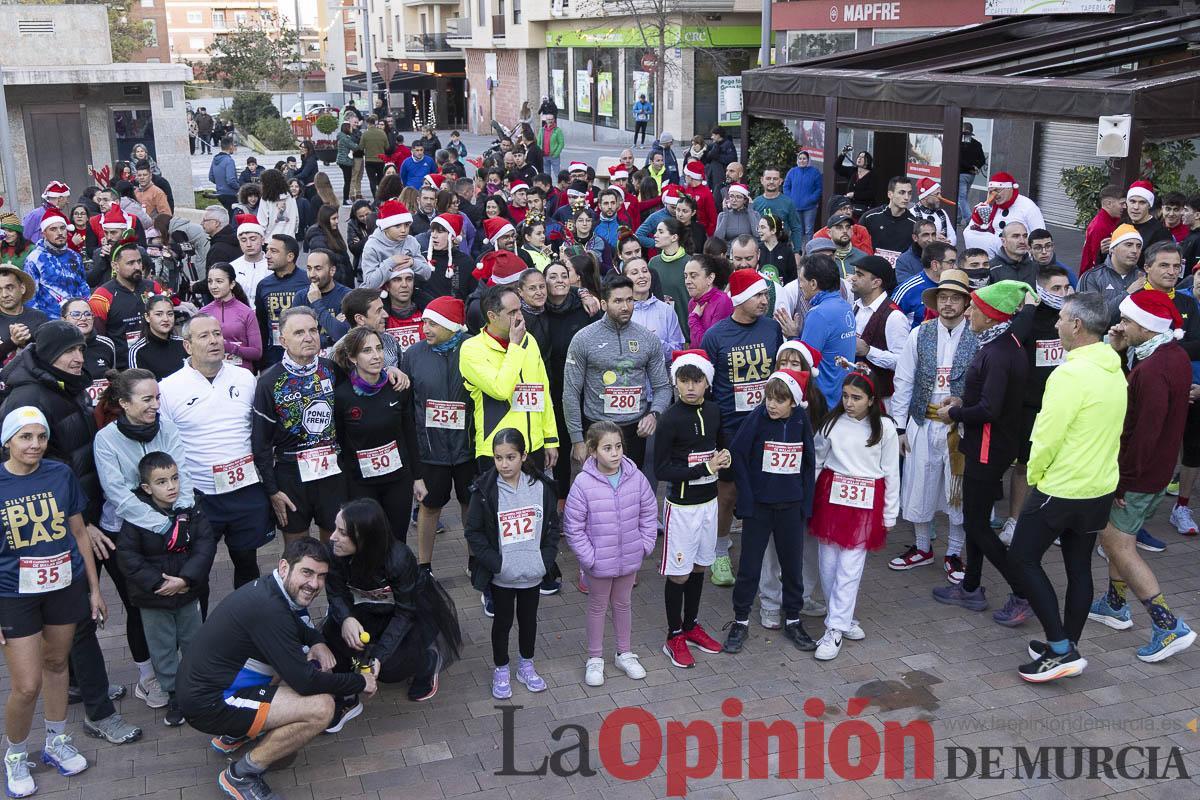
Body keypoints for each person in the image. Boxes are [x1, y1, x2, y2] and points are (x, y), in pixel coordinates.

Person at [177, 538, 377, 798]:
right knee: (322, 707)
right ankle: (241, 774)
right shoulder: (269, 610)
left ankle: (236, 732)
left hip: (212, 683)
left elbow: (296, 627)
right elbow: (305, 682)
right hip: (209, 702)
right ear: (284, 567)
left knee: (295, 661)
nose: (314, 584)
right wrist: (360, 683)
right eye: (307, 572)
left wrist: (316, 641)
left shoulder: (271, 589)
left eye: (321, 576)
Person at [1006, 292, 1126, 681]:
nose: (1056, 324)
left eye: (1060, 318)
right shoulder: (1114, 366)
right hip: (1099, 487)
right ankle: (1068, 646)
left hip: (1062, 487)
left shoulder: (1070, 373)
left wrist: (1037, 478)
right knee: (1079, 568)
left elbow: (1045, 437)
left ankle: (1059, 649)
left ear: (1076, 325)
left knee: (1021, 559)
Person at [0, 406, 105, 798]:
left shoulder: (60, 474)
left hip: (63, 584)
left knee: (58, 663)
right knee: (26, 685)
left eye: (40, 436)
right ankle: (14, 755)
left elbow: (80, 535)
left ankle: (56, 741)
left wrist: (94, 589)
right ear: (8, 440)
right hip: (13, 593)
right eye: (25, 437)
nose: (35, 444)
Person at [1086, 290, 1195, 663]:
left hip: (1139, 475)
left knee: (1118, 544)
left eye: (1127, 321)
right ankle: (1115, 604)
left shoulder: (1152, 369)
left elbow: (1143, 431)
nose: (1120, 325)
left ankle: (1167, 625)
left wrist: (1123, 481)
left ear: (1147, 327)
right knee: (1119, 536)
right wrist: (1117, 349)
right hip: (1157, 470)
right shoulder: (1171, 355)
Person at [931, 281, 1033, 626]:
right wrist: (962, 401)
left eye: (974, 308)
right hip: (988, 445)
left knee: (977, 525)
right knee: (976, 522)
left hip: (988, 450)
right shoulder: (1000, 343)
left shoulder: (999, 352)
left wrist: (955, 413)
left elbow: (990, 408)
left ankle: (1023, 592)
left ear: (990, 317)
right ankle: (971, 586)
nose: (968, 312)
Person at [159, 315, 270, 597]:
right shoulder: (169, 388)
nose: (214, 341)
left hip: (246, 490)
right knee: (197, 572)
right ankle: (203, 635)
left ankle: (246, 628)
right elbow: (166, 445)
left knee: (247, 562)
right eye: (204, 336)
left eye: (217, 334)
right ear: (187, 346)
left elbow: (259, 432)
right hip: (200, 495)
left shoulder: (245, 378)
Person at [325, 498, 460, 715]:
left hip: (405, 611)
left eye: (342, 532)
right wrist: (346, 618)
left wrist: (379, 656)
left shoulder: (398, 558)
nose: (332, 537)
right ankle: (346, 691)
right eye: (335, 528)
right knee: (334, 636)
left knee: (388, 669)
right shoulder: (335, 553)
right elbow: (336, 592)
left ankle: (428, 661)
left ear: (364, 538)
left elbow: (405, 612)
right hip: (364, 607)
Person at [888, 269, 977, 580]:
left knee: (958, 489)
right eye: (943, 297)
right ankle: (923, 546)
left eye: (954, 298)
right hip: (922, 422)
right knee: (919, 484)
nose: (948, 303)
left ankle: (954, 552)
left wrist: (966, 407)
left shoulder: (976, 335)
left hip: (960, 426)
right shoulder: (920, 333)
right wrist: (900, 427)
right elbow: (904, 380)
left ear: (966, 302)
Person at [722, 368, 818, 654]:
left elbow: (809, 463)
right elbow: (737, 452)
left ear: (793, 402)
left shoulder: (801, 421)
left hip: (790, 507)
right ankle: (740, 621)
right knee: (749, 567)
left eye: (779, 401)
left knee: (792, 568)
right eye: (769, 399)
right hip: (760, 508)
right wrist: (747, 497)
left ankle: (793, 619)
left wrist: (805, 503)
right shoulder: (758, 418)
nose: (772, 405)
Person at [116, 451, 214, 726]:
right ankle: (174, 693)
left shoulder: (191, 510)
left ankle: (196, 688)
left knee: (193, 639)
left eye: (174, 478)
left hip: (186, 591)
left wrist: (185, 580)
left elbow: (205, 547)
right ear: (147, 488)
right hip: (154, 597)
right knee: (161, 647)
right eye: (161, 482)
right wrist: (159, 583)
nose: (171, 486)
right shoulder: (136, 516)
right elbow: (128, 557)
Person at [701, 269, 784, 587]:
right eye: (758, 295)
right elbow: (706, 386)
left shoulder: (772, 329)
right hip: (730, 429)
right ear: (739, 299)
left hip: (768, 424)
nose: (765, 301)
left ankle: (761, 553)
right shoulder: (716, 336)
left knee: (765, 491)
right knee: (728, 493)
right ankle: (720, 552)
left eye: (765, 295)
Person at [810, 371, 900, 660]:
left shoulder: (884, 429)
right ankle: (842, 616)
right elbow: (817, 460)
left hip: (865, 500)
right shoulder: (831, 424)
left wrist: (889, 513)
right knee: (828, 564)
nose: (849, 402)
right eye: (846, 396)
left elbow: (891, 472)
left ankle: (834, 627)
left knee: (851, 565)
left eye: (857, 398)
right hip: (832, 497)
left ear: (871, 400)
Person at [464, 428, 560, 699]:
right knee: (503, 623)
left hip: (533, 572)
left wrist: (545, 560)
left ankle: (526, 665)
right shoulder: (484, 489)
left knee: (529, 621)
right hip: (502, 575)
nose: (504, 464)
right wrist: (496, 563)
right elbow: (473, 532)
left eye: (510, 457)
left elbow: (553, 524)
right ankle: (502, 669)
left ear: (523, 456)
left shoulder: (541, 486)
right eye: (498, 458)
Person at [564, 421, 657, 686]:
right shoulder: (582, 484)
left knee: (623, 604)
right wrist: (589, 558)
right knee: (597, 606)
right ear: (592, 451)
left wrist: (644, 545)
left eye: (618, 446)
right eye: (607, 448)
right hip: (598, 563)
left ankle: (624, 653)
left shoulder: (635, 477)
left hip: (629, 557)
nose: (615, 453)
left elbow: (649, 511)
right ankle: (595, 658)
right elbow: (574, 527)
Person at [251, 307, 347, 546]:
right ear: (283, 340)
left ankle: (334, 585)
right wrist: (272, 490)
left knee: (334, 546)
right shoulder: (269, 381)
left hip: (330, 473)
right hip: (291, 475)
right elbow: (260, 442)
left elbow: (347, 419)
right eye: (299, 332)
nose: (308, 337)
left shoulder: (331, 369)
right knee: (297, 552)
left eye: (313, 330)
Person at [562, 274, 671, 470]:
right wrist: (577, 439)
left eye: (629, 300)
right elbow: (570, 392)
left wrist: (654, 414)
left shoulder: (648, 339)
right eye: (618, 301)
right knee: (599, 495)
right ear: (604, 304)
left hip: (635, 430)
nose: (625, 306)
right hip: (596, 429)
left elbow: (663, 386)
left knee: (630, 492)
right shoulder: (583, 339)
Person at [1000, 265, 1073, 548]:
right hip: (1030, 405)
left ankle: (1050, 521)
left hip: (1063, 403)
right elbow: (1011, 344)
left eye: (1066, 288)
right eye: (1056, 288)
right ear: (1040, 289)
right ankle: (1014, 520)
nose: (1063, 293)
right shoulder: (1027, 318)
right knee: (1025, 465)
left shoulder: (1072, 318)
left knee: (1057, 466)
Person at [403, 297, 473, 572]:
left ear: (451, 326)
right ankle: (424, 565)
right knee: (429, 506)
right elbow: (408, 404)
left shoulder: (472, 347)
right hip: (430, 448)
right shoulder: (413, 354)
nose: (425, 329)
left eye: (433, 323)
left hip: (467, 445)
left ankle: (475, 560)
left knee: (470, 503)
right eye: (424, 323)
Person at [332, 326, 418, 536]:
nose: (376, 356)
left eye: (379, 348)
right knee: (368, 542)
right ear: (353, 358)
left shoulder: (398, 387)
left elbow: (409, 433)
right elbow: (340, 442)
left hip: (398, 481)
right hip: (361, 484)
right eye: (367, 350)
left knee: (397, 539)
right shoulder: (342, 396)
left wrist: (418, 477)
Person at [88, 240, 169, 369]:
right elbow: (99, 340)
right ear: (115, 266)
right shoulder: (102, 296)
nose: (137, 267)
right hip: (123, 368)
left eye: (139, 261)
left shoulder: (153, 287)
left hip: (156, 360)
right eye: (130, 263)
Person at [796, 254, 855, 409]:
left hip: (823, 403)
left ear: (813, 283)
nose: (800, 286)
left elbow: (804, 361)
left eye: (801, 280)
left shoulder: (819, 314)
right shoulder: (845, 306)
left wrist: (792, 335)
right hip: (842, 399)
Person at [849, 256, 910, 404]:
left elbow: (903, 362)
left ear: (876, 282)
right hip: (855, 394)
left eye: (860, 274)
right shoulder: (854, 306)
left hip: (882, 401)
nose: (853, 278)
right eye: (855, 273)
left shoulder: (894, 316)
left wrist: (869, 351)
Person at [255, 233, 310, 367]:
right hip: (274, 357)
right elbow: (261, 324)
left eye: (273, 251)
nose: (267, 255)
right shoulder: (263, 285)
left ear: (290, 256)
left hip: (305, 355)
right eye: (267, 250)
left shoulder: (308, 281)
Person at [24, 211, 89, 320]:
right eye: (53, 229)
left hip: (78, 318)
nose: (59, 233)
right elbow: (30, 296)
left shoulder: (75, 256)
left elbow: (83, 285)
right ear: (44, 234)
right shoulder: (34, 259)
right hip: (51, 322)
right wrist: (38, 323)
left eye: (62, 228)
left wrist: (87, 309)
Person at [1078, 224, 1144, 322]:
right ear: (1112, 248)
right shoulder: (1092, 277)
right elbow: (1091, 319)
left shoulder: (1144, 278)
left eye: (1138, 246)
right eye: (1129, 245)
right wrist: (1127, 293)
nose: (1135, 251)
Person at [360, 200, 432, 289]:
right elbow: (370, 283)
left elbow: (427, 274)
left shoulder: (411, 241)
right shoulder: (372, 246)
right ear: (385, 228)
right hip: (379, 295)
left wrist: (413, 263)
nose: (403, 230)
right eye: (397, 226)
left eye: (406, 225)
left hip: (408, 291)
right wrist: (391, 262)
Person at [200, 262, 261, 367]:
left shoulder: (246, 312)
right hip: (213, 374)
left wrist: (229, 347)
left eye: (219, 281)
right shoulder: (203, 313)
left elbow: (257, 352)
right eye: (210, 282)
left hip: (241, 375)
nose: (213, 286)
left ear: (232, 284)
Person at [295, 249, 351, 353]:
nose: (312, 274)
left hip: (339, 360)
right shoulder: (301, 297)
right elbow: (296, 338)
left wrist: (317, 302)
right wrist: (330, 335)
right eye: (309, 268)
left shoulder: (347, 296)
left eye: (318, 268)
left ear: (332, 271)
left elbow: (341, 335)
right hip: (309, 360)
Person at [893, 240, 957, 326]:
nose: (955, 267)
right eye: (951, 262)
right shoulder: (908, 290)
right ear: (935, 265)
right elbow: (889, 319)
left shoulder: (957, 285)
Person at [648, 217, 691, 337]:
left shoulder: (690, 263)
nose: (655, 235)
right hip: (659, 330)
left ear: (674, 237)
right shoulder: (653, 263)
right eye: (656, 231)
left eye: (661, 232)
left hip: (685, 329)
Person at [127, 295, 187, 380]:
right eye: (159, 314)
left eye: (170, 314)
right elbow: (139, 387)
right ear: (147, 317)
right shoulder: (138, 351)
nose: (166, 319)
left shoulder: (183, 344)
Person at [860, 176, 916, 264]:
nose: (906, 197)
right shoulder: (870, 217)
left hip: (899, 273)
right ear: (890, 194)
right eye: (901, 193)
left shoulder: (915, 224)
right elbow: (857, 244)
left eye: (909, 193)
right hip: (872, 271)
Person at [753, 167, 805, 256]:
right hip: (761, 250)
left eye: (775, 179)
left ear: (780, 181)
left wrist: (797, 251)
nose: (771, 182)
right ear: (762, 180)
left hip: (783, 249)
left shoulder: (788, 203)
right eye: (768, 178)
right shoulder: (756, 203)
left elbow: (796, 228)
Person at [0, 266, 46, 365]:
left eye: (9, 288)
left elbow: (51, 353)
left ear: (22, 288)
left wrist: (28, 340)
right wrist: (13, 341)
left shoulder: (39, 317)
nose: (4, 294)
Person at [685, 254, 733, 346]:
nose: (687, 281)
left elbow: (709, 345)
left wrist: (693, 319)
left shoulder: (722, 301)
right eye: (685, 276)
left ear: (710, 278)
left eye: (693, 276)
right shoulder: (692, 303)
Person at [1080, 184, 1126, 275]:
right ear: (1109, 203)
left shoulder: (1110, 220)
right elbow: (1096, 260)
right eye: (1121, 203)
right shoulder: (1100, 226)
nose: (1125, 207)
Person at [230, 214, 271, 310]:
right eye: (243, 240)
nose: (248, 244)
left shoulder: (274, 265)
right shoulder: (232, 267)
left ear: (263, 240)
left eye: (253, 239)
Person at [784, 151, 822, 245]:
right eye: (800, 158)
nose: (802, 160)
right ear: (797, 160)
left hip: (810, 207)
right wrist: (790, 199)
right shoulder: (792, 172)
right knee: (798, 230)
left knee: (809, 230)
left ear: (808, 160)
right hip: (795, 207)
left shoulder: (815, 172)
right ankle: (799, 251)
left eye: (804, 158)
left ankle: (809, 252)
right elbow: (786, 187)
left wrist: (812, 199)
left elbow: (819, 188)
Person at [988, 222, 1037, 288]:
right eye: (1016, 236)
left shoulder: (1035, 267)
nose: (1022, 241)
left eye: (1025, 236)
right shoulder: (991, 269)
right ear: (1003, 242)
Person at [910, 177, 956, 247]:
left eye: (940, 193)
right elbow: (912, 239)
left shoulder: (942, 213)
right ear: (925, 196)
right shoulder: (912, 213)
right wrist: (934, 241)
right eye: (937, 194)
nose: (940, 197)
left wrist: (945, 244)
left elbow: (953, 237)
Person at [894, 218, 939, 285]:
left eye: (933, 234)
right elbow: (908, 288)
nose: (931, 239)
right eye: (925, 235)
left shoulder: (943, 255)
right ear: (915, 237)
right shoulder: (904, 261)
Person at [957, 122, 988, 219]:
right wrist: (975, 167)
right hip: (971, 175)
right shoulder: (977, 144)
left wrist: (971, 167)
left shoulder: (959, 143)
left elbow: (959, 160)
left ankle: (969, 219)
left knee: (961, 198)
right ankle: (958, 217)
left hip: (962, 174)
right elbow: (982, 159)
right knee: (962, 197)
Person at [835, 147, 876, 218]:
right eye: (859, 156)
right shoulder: (853, 171)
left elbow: (872, 193)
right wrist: (843, 154)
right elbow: (837, 167)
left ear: (867, 161)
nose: (859, 158)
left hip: (864, 210)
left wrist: (854, 194)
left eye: (862, 157)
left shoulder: (872, 175)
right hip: (850, 208)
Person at [208, 137, 239, 214]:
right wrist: (240, 187)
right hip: (230, 194)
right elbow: (231, 180)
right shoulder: (229, 160)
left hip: (220, 193)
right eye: (234, 146)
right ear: (231, 146)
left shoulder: (215, 159)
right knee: (234, 216)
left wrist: (221, 184)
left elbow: (211, 177)